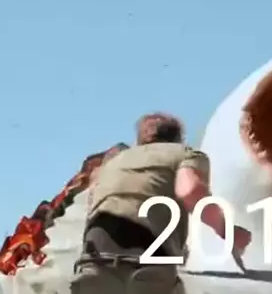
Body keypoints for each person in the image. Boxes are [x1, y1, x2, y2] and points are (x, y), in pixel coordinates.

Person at [71, 112, 252, 294]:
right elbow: (190, 191)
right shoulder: (184, 154)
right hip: (148, 266)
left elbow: (94, 206)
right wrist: (227, 231)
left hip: (93, 263)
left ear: (140, 140)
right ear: (178, 138)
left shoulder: (111, 164)